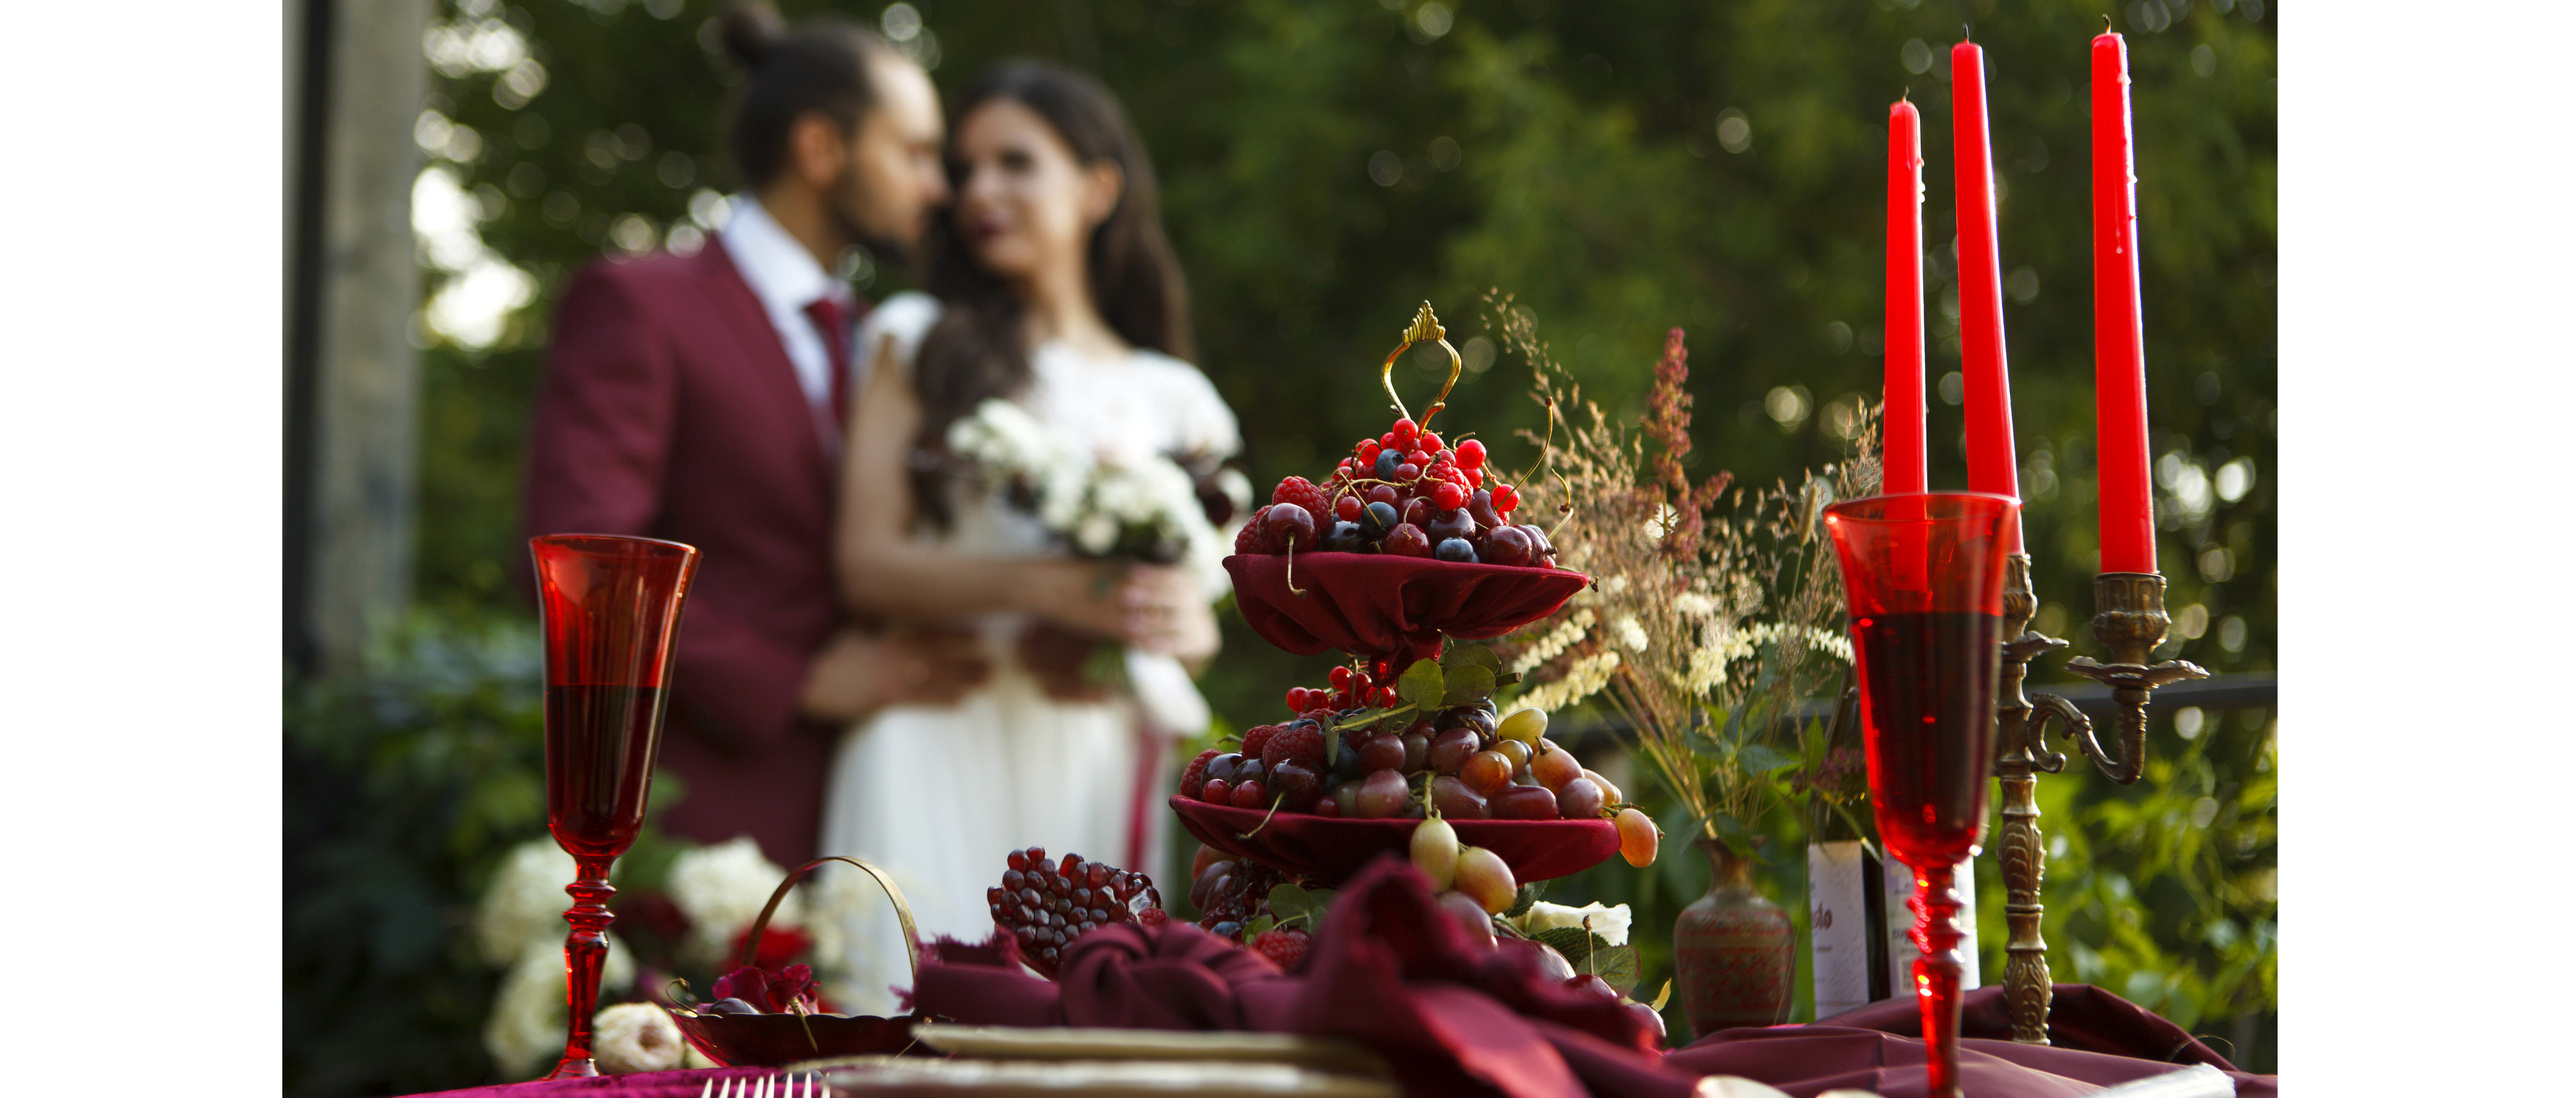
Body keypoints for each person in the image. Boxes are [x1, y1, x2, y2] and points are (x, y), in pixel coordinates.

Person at [523, 2, 987, 867]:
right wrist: (794, 682)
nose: (938, 188)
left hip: (896, 807)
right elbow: (587, 568)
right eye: (914, 153)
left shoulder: (888, 341)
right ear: (821, 148)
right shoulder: (641, 305)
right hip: (712, 813)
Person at [819, 60, 1235, 989]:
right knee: (897, 1011)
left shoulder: (1174, 398)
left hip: (1087, 752)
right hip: (931, 730)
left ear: (1097, 188)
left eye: (1015, 163)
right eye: (965, 169)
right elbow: (866, 563)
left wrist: (1183, 625)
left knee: (1077, 1024)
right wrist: (1046, 590)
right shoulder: (918, 338)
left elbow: (1193, 617)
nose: (979, 192)